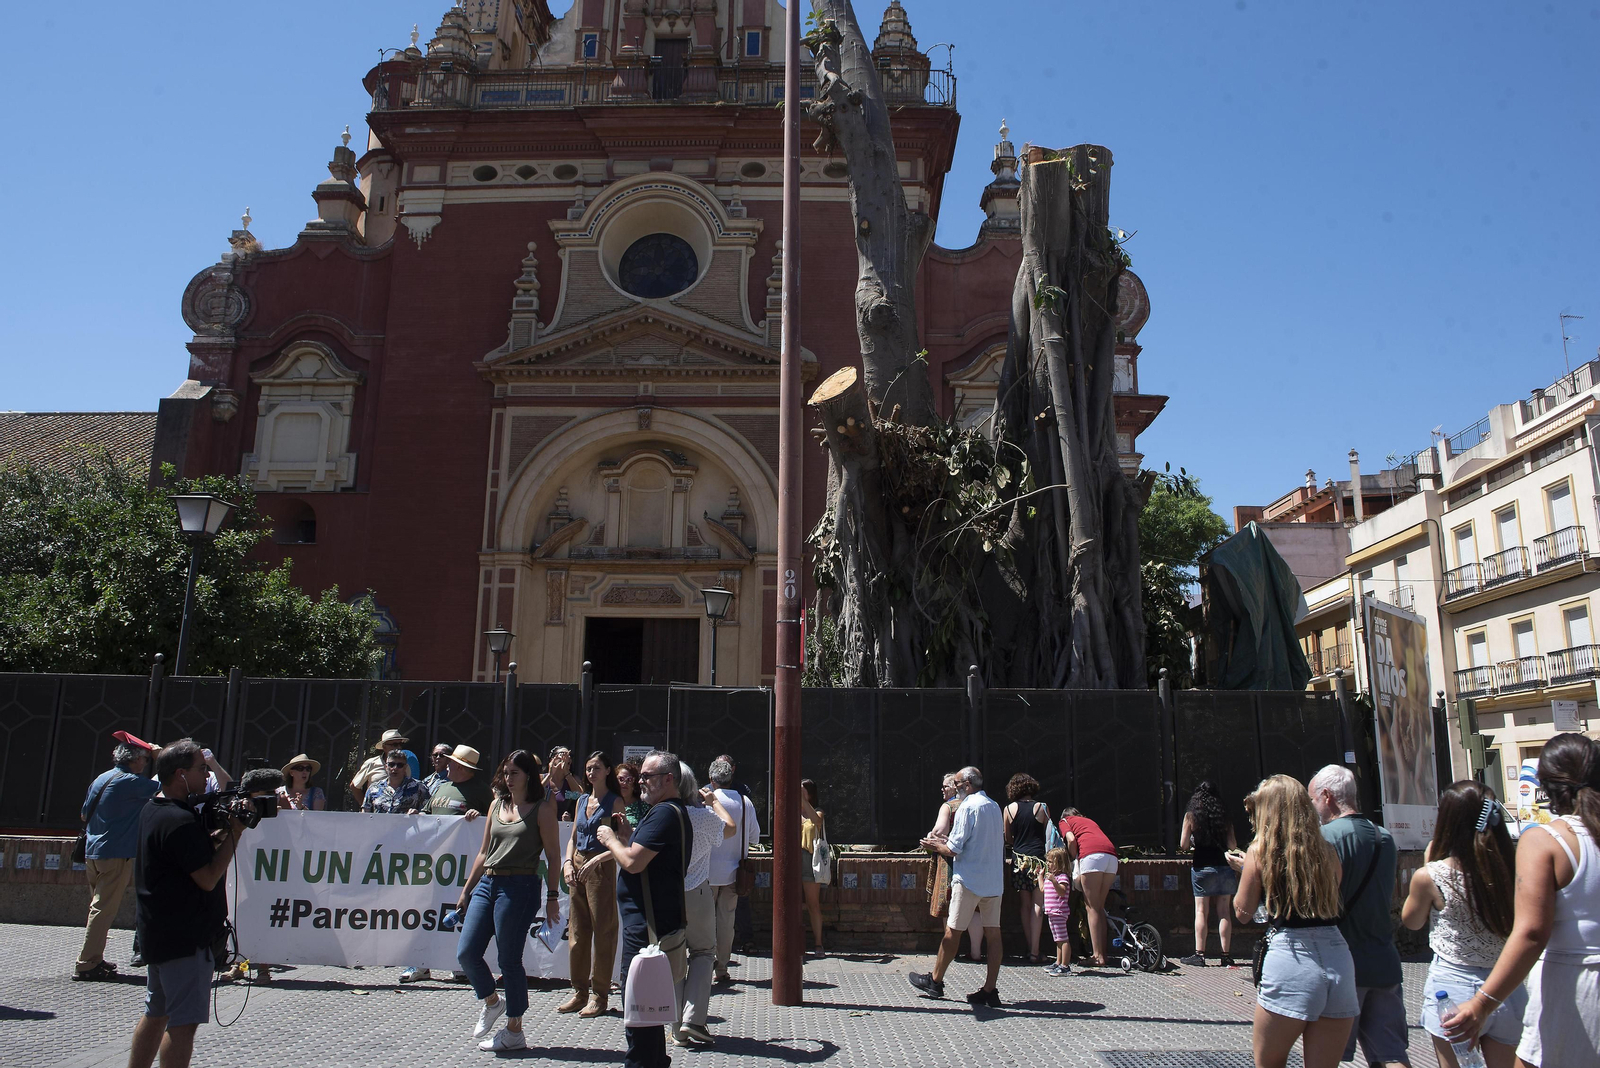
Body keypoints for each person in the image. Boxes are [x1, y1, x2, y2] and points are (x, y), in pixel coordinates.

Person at [1442, 733, 1600, 1067]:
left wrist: (1482, 1003)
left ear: (1546, 785)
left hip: (1574, 988)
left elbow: (1531, 933)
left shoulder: (1546, 840)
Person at [125, 740, 247, 1068]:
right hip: (184, 937)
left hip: (160, 931)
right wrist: (235, 834)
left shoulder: (156, 809)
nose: (206, 774)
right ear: (181, 775)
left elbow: (191, 853)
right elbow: (207, 876)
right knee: (182, 1023)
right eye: (201, 769)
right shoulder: (178, 821)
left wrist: (224, 831)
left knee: (157, 1011)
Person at [1229, 774, 1356, 1068]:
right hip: (1338, 956)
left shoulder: (1259, 851)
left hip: (1291, 958)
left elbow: (1243, 913)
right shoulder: (1328, 851)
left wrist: (1245, 872)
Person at [1399, 780, 1525, 1068]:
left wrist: (1428, 863)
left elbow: (1412, 921)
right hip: (1505, 987)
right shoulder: (1513, 867)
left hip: (1452, 989)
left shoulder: (1432, 875)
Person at [455, 749, 561, 1052]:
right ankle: (492, 1001)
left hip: (521, 885)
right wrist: (466, 891)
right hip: (488, 882)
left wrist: (552, 897)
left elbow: (553, 857)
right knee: (467, 952)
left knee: (508, 959)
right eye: (505, 773)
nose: (507, 778)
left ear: (528, 775)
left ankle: (515, 1029)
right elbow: (483, 851)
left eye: (514, 773)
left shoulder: (541, 809)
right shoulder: (495, 805)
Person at [594, 750, 693, 1068]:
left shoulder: (664, 813)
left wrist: (611, 840)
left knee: (640, 1017)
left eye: (647, 777)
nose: (640, 782)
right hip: (654, 925)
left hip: (647, 932)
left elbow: (634, 863)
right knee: (648, 1018)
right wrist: (626, 837)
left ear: (668, 779)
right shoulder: (669, 812)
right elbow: (645, 855)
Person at [1308, 765, 1407, 1068]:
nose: (1312, 808)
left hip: (1340, 964)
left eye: (1312, 800)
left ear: (1326, 796)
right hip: (1384, 961)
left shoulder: (1323, 839)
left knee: (1326, 1058)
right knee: (1390, 1053)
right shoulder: (1385, 838)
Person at [911, 766, 1006, 1006]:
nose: (954, 787)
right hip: (994, 882)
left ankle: (935, 981)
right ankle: (990, 989)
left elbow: (953, 850)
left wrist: (933, 845)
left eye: (956, 783)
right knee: (993, 933)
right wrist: (947, 841)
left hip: (970, 880)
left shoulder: (967, 807)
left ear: (966, 784)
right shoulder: (994, 806)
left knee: (953, 931)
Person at [74, 734, 160, 981]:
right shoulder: (131, 782)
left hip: (93, 851)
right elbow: (169, 785)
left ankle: (95, 959)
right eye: (145, 759)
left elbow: (83, 814)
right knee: (103, 910)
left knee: (97, 908)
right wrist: (161, 756)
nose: (146, 765)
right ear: (135, 760)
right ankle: (86, 964)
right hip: (116, 854)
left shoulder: (102, 778)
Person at [673, 762, 736, 1048]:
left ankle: (675, 1028)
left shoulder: (663, 815)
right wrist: (713, 801)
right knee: (702, 952)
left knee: (672, 958)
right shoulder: (702, 817)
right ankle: (693, 1019)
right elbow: (730, 829)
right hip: (697, 891)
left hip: (668, 895)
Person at [559, 750, 625, 1018]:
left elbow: (623, 841)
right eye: (588, 768)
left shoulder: (615, 802)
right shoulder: (582, 799)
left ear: (608, 771)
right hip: (577, 865)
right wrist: (566, 863)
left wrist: (599, 858)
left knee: (604, 930)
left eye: (597, 767)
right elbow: (573, 836)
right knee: (577, 931)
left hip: (601, 867)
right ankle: (579, 991)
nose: (591, 772)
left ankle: (599, 994)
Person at [708, 755, 761, 983]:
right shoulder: (744, 801)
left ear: (711, 779)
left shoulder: (706, 801)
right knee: (727, 922)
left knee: (705, 921)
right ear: (731, 777)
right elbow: (754, 837)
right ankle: (722, 968)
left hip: (706, 872)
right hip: (734, 872)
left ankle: (703, 963)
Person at [1180, 781, 1240, 967]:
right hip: (1223, 866)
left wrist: (1193, 839)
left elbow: (1183, 845)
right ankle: (1226, 955)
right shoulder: (1224, 816)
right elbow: (1232, 845)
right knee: (1224, 912)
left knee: (1201, 911)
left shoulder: (1191, 816)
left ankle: (1200, 954)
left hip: (1202, 866)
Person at [928, 771, 985, 962]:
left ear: (956, 786)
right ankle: (976, 952)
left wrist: (931, 836)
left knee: (950, 909)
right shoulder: (980, 805)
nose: (942, 789)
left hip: (951, 862)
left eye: (946, 786)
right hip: (975, 861)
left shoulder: (949, 807)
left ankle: (951, 952)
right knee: (975, 909)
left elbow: (938, 832)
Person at [1059, 807, 1119, 968]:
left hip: (1092, 858)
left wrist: (1072, 857)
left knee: (1091, 907)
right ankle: (1103, 954)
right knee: (1099, 907)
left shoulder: (1065, 821)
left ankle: (1097, 956)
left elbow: (1071, 840)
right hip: (1111, 857)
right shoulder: (1090, 821)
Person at [1004, 773, 1050, 963]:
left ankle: (1029, 946)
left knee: (1024, 904)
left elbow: (1007, 838)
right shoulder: (1042, 808)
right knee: (1038, 905)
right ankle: (1035, 950)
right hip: (1039, 859)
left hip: (1019, 859)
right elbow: (1048, 835)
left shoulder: (1008, 809)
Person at [348, 728, 420, 800]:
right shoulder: (371, 763)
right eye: (394, 744)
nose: (399, 747)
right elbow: (354, 786)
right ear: (384, 747)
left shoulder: (404, 765)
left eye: (400, 744)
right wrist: (364, 805)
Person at [425, 745, 493, 818]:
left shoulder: (482, 790)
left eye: (450, 761)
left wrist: (479, 816)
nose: (447, 765)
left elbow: (493, 818)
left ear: (459, 767)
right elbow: (425, 812)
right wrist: (415, 814)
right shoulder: (442, 787)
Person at [800, 779, 827, 954]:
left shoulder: (817, 811)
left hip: (810, 860)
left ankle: (818, 943)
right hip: (794, 859)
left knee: (812, 904)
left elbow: (817, 822)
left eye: (802, 791)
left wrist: (803, 801)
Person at [361, 748, 428, 814]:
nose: (395, 768)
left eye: (399, 765)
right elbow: (365, 815)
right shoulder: (374, 788)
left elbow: (427, 813)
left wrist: (418, 814)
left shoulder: (419, 787)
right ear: (386, 767)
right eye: (391, 764)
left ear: (405, 768)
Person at [1041, 846, 1074, 976]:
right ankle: (1058, 961)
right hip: (1051, 912)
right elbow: (1042, 889)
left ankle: (1065, 965)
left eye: (1050, 862)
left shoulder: (1062, 877)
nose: (1048, 864)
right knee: (1057, 939)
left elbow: (1061, 891)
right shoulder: (1051, 877)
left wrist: (1054, 881)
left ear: (1059, 863)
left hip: (1059, 912)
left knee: (1063, 939)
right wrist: (1040, 876)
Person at [618, 761, 649, 827]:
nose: (624, 783)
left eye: (629, 780)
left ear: (634, 783)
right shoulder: (608, 804)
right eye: (621, 779)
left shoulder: (643, 807)